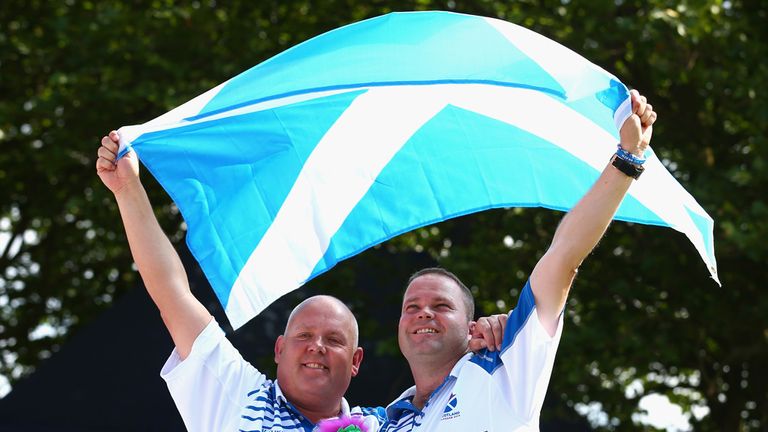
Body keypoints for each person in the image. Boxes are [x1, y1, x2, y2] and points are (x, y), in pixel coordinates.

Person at [95, 132, 505, 431]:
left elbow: (457, 388)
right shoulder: (236, 394)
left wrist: (496, 336)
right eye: (304, 335)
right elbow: (171, 293)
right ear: (278, 349)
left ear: (356, 361)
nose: (317, 347)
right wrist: (128, 189)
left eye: (334, 340)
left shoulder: (387, 425)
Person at [382, 89, 658, 431]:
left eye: (441, 305)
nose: (423, 312)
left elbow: (563, 258)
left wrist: (628, 157)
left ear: (471, 329)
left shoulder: (506, 370)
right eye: (412, 307)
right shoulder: (381, 420)